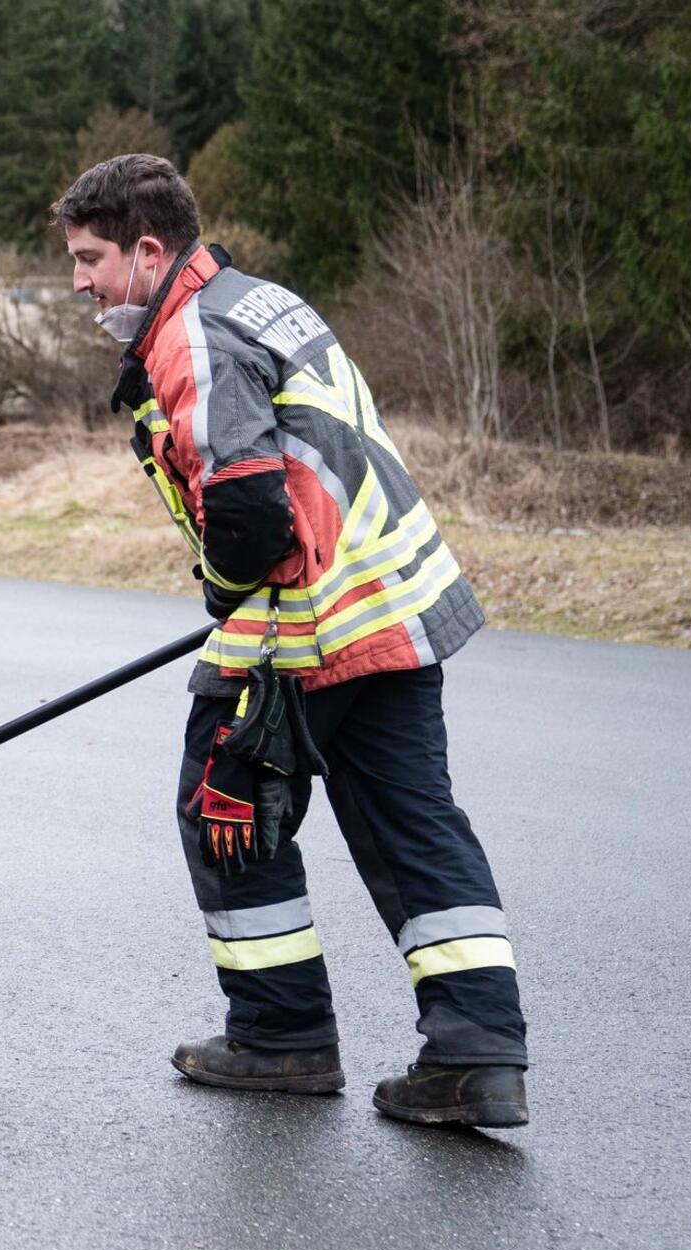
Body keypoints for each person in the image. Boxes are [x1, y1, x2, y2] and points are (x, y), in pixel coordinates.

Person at [52, 153, 531, 1127]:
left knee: (224, 806)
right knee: (414, 827)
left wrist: (223, 599)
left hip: (310, 616)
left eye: (89, 258)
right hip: (391, 608)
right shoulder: (260, 300)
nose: (78, 283)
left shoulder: (194, 332)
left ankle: (280, 1038)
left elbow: (248, 515)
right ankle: (477, 1052)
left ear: (149, 251)